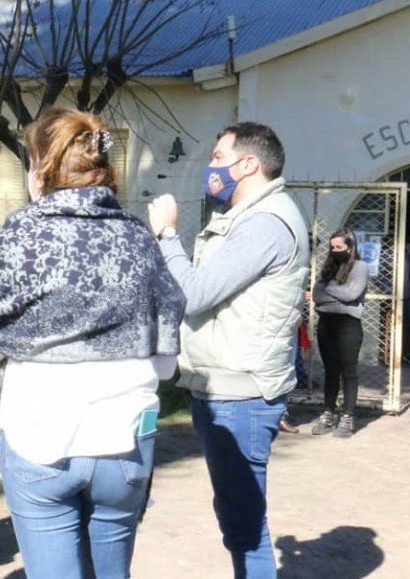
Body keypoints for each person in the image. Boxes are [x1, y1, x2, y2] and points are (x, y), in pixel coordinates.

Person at [0, 107, 185, 579]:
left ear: (40, 166)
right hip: (126, 439)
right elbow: (167, 363)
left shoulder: (23, 232)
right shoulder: (139, 238)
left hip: (40, 436)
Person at [148, 121, 309, 578]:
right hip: (229, 390)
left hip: (241, 397)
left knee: (244, 528)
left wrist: (165, 236)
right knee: (239, 520)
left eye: (218, 157)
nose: (211, 167)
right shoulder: (249, 218)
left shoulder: (265, 224)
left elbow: (196, 293)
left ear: (249, 163)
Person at [310, 229, 368, 438]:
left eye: (339, 248)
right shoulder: (329, 267)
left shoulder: (360, 267)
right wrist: (330, 292)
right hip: (326, 324)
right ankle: (328, 413)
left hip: (348, 326)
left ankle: (348, 416)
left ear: (350, 247)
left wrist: (327, 290)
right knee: (330, 371)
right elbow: (316, 294)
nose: (335, 251)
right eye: (332, 247)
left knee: (348, 372)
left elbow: (353, 293)